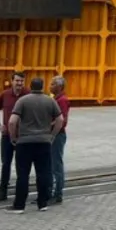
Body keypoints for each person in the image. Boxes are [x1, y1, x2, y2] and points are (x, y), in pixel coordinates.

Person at [6, 78, 64, 214]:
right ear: (42, 87)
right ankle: (42, 203)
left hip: (24, 143)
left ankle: (19, 205)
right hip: (44, 142)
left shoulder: (23, 101)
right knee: (43, 173)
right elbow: (60, 119)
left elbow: (12, 122)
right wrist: (52, 135)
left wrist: (14, 137)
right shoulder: (50, 101)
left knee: (23, 175)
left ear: (30, 86)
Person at [0, 71, 26, 202]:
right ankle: (2, 192)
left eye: (21, 81)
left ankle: (20, 193)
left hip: (22, 136)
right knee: (6, 163)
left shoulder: (27, 94)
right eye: (17, 81)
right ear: (12, 81)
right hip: (7, 136)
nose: (19, 84)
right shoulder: (5, 94)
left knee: (21, 165)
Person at [49, 76, 70, 205]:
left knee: (56, 165)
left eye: (52, 84)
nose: (50, 86)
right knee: (53, 164)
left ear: (59, 86)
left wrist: (49, 127)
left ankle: (57, 194)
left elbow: (62, 120)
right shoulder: (55, 99)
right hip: (55, 134)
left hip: (57, 135)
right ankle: (53, 192)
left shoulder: (62, 100)